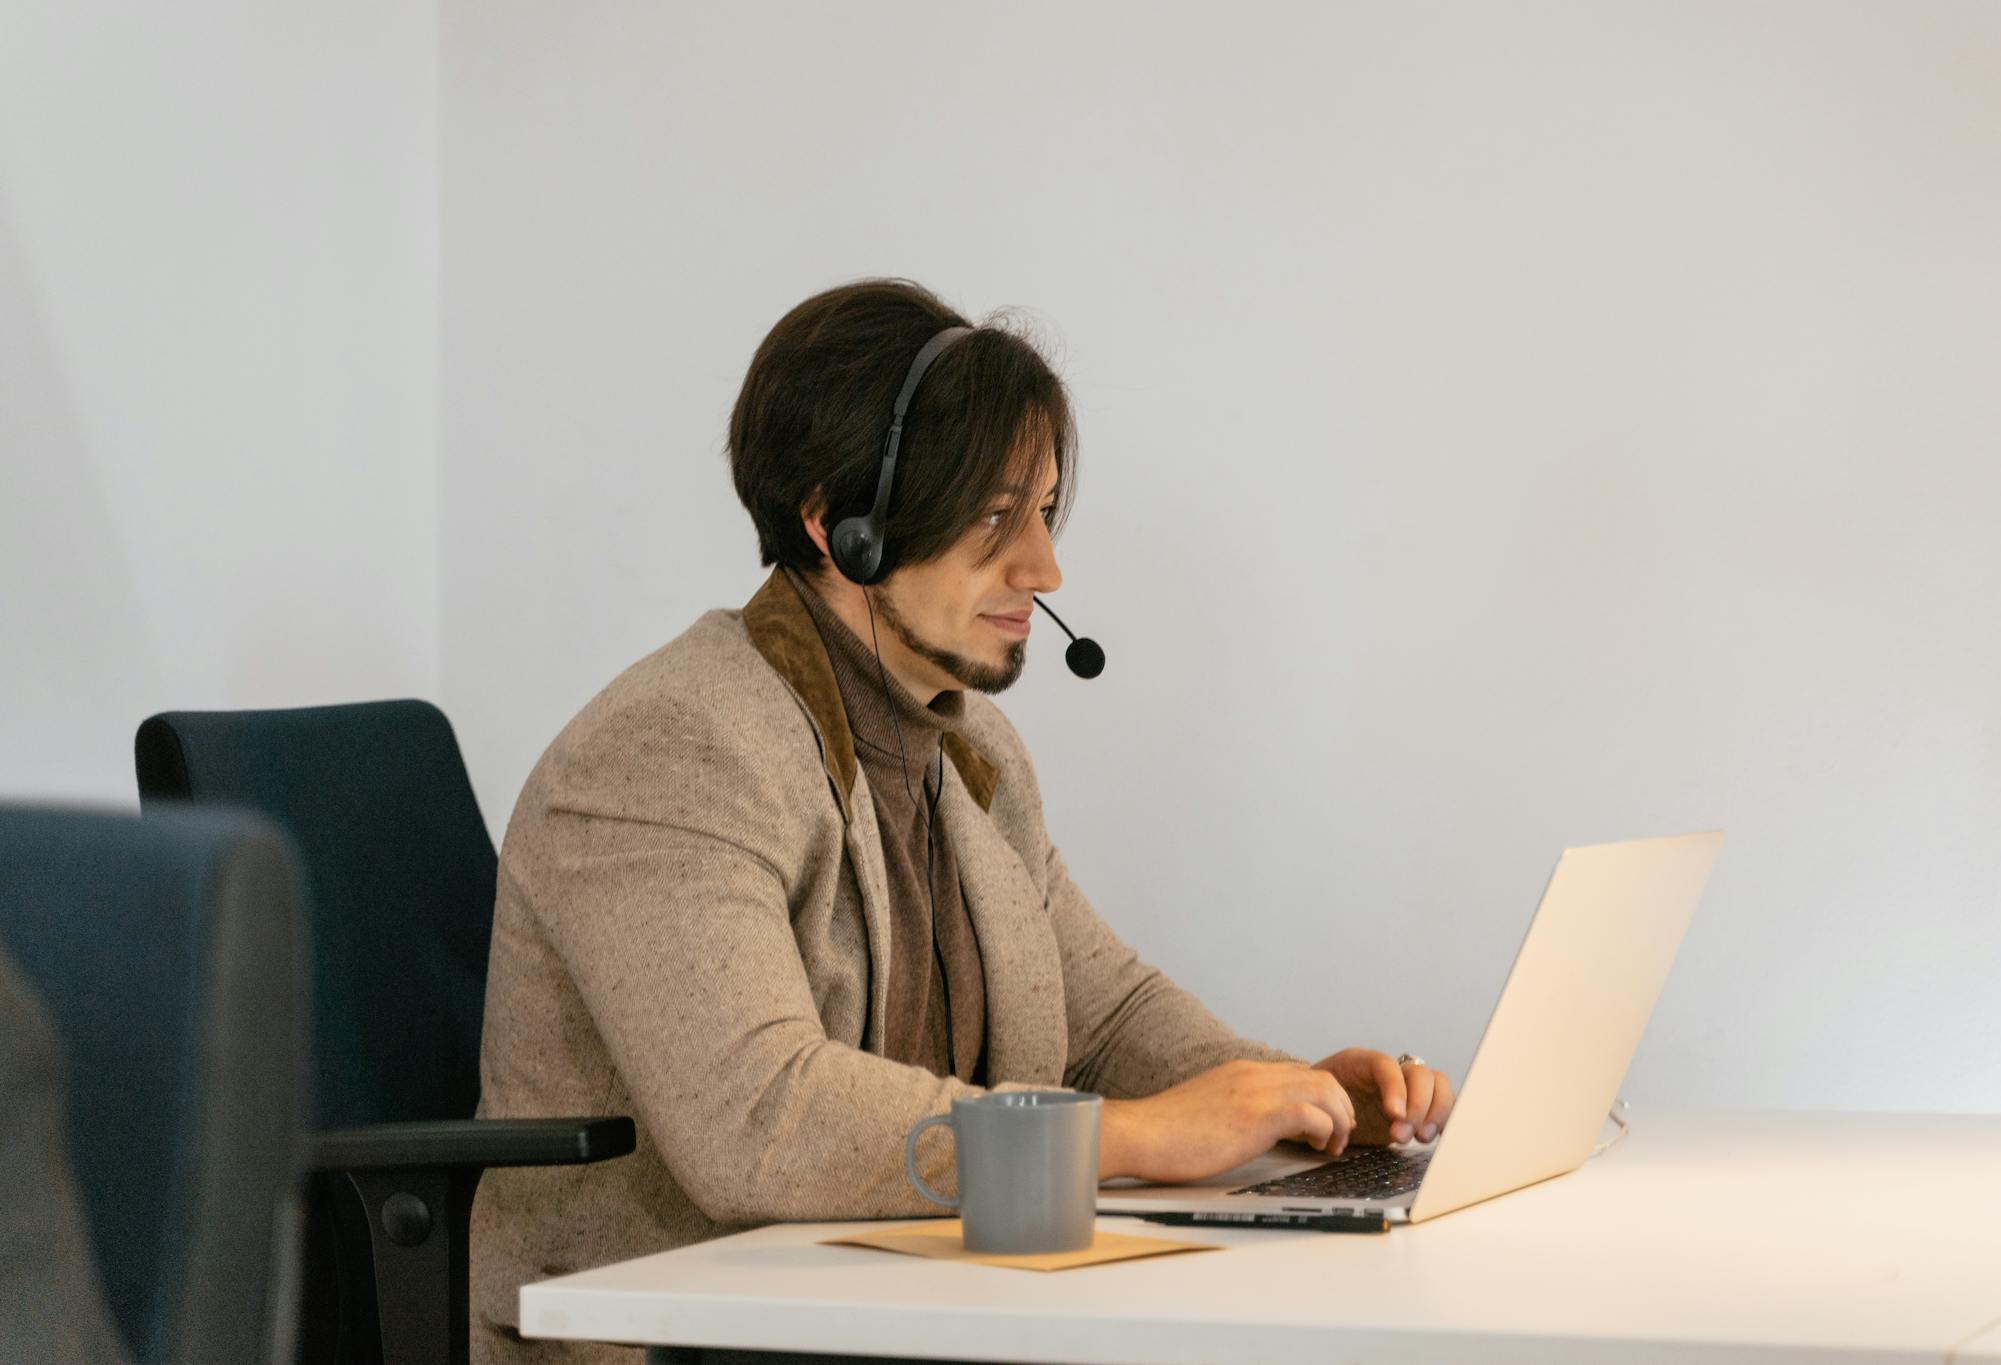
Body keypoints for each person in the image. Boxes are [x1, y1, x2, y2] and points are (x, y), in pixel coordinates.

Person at [469, 279, 1456, 1363]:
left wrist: (1296, 1098)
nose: (1043, 568)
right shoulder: (671, 749)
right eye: (994, 519)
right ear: (838, 525)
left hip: (889, 1318)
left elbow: (1104, 1013)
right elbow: (759, 1122)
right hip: (674, 1338)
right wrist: (1130, 1140)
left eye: (1039, 512)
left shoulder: (968, 749)